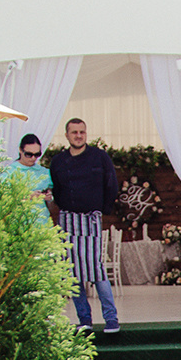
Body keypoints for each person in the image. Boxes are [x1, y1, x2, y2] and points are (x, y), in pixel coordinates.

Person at [47, 118, 121, 333]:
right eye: (74, 132)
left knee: (96, 268)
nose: (78, 135)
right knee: (72, 271)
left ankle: (111, 319)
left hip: (91, 218)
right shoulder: (58, 161)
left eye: (82, 132)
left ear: (86, 134)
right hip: (68, 219)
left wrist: (102, 209)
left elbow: (111, 184)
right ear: (67, 135)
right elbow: (57, 190)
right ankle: (84, 319)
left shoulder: (99, 157)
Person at [5, 133, 55, 228]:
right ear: (20, 150)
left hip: (42, 224)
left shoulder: (44, 172)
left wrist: (49, 195)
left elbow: (55, 193)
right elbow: (2, 198)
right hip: (17, 225)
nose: (33, 158)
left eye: (37, 155)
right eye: (29, 154)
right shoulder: (9, 172)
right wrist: (28, 196)